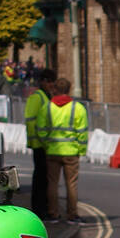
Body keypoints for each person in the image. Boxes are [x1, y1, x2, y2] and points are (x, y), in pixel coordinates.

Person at [45, 76, 87, 223]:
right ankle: (72, 215)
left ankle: (52, 214)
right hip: (71, 152)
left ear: (55, 89)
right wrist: (81, 150)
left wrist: (46, 144)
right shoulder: (78, 108)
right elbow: (82, 132)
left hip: (52, 150)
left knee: (52, 183)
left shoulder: (47, 107)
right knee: (72, 184)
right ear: (69, 90)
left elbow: (41, 129)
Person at [24, 67, 57, 220]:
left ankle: (43, 209)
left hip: (45, 144)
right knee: (39, 180)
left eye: (53, 82)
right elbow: (31, 120)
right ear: (43, 81)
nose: (51, 85)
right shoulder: (37, 97)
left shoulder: (46, 96)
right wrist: (37, 139)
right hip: (39, 144)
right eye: (49, 82)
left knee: (44, 179)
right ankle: (38, 210)